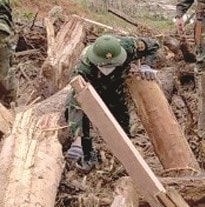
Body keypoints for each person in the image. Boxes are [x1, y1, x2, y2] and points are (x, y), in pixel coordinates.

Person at [64, 34, 160, 171]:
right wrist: (76, 141)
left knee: (120, 114)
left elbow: (153, 45)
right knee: (84, 113)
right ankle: (87, 153)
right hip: (93, 85)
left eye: (112, 64)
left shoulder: (129, 47)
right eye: (105, 66)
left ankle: (125, 153)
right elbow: (76, 103)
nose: (108, 69)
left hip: (117, 84)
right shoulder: (83, 67)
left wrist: (147, 65)